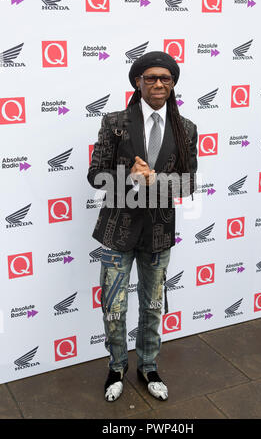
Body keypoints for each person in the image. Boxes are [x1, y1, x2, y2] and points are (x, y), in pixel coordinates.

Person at [87, 51, 198, 402]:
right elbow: (95, 176)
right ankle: (117, 366)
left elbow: (188, 184)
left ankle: (148, 365)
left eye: (165, 78)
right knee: (114, 306)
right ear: (138, 82)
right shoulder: (115, 122)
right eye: (150, 78)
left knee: (151, 306)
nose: (158, 84)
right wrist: (127, 178)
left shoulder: (186, 128)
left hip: (159, 233)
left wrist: (155, 181)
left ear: (173, 83)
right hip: (117, 231)